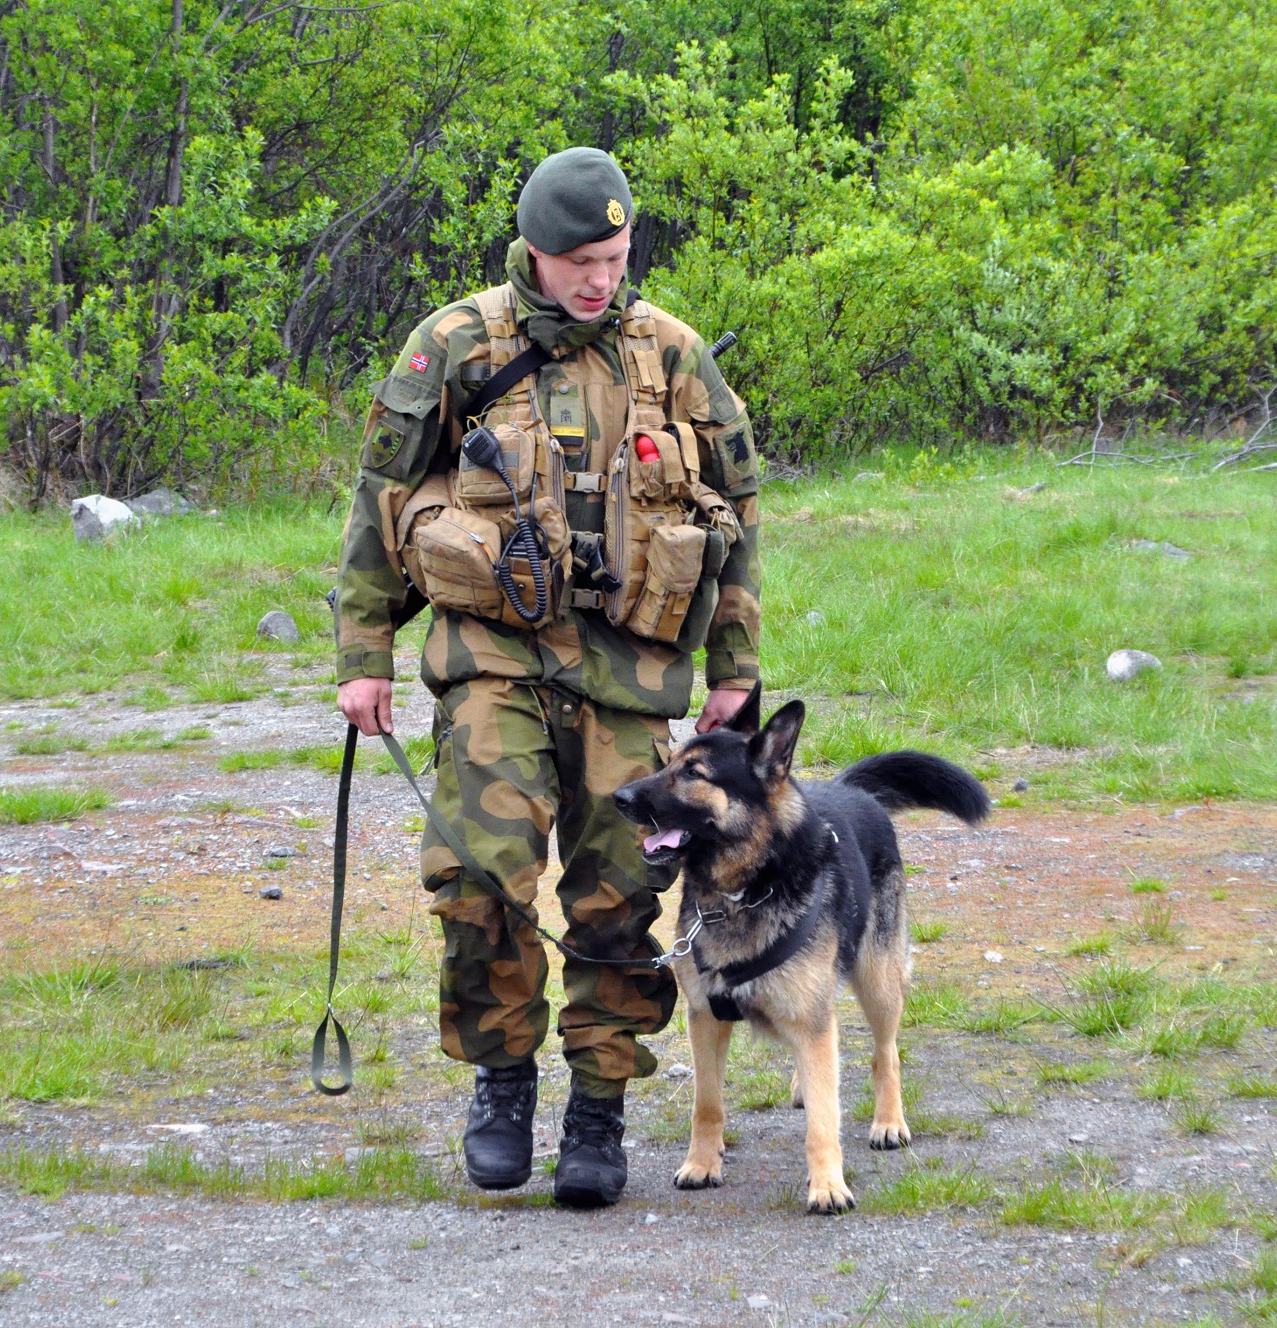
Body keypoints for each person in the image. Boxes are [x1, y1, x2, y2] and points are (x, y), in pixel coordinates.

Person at [331, 147, 762, 1208]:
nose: (598, 279)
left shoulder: (672, 356)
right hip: (494, 657)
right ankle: (503, 1076)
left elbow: (739, 512)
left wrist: (735, 667)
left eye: (614, 258)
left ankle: (598, 1107)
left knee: (622, 890)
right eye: (580, 260)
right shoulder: (455, 344)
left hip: (631, 666)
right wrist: (362, 653)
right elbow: (380, 499)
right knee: (479, 872)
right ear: (531, 248)